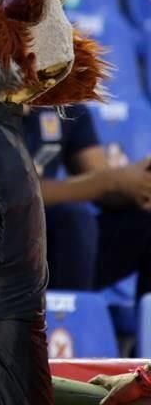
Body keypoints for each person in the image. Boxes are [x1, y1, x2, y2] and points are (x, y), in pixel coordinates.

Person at [22, 104, 151, 305]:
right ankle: (71, 325)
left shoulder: (68, 103)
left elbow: (102, 183)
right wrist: (112, 182)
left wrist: (139, 186)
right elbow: (5, 194)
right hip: (3, 243)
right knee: (74, 219)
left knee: (146, 220)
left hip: (60, 253)